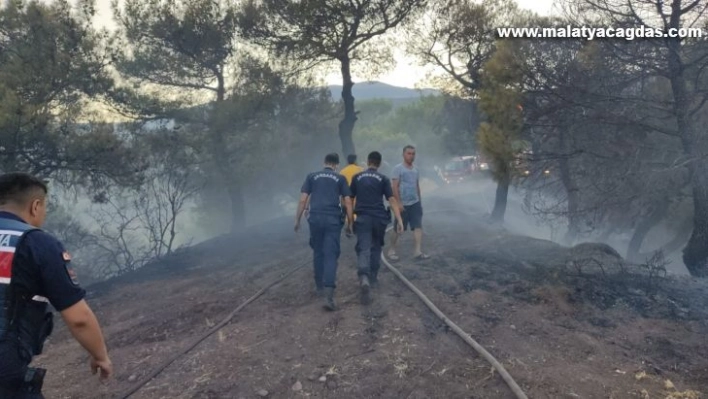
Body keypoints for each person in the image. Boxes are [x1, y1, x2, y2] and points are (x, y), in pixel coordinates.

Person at [0, 172, 112, 398]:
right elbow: (79, 318)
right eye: (45, 208)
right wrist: (100, 355)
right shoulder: (37, 243)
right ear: (35, 206)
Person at [295, 153, 353, 311]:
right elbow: (347, 201)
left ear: (324, 162)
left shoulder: (311, 176)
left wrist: (297, 220)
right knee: (331, 254)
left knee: (318, 252)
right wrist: (349, 223)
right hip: (333, 220)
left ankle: (319, 285)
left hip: (315, 219)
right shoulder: (340, 178)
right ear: (336, 165)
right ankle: (328, 294)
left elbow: (303, 199)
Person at [350, 152, 403, 304]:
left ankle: (364, 277)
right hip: (379, 219)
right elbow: (391, 199)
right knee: (376, 247)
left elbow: (350, 199)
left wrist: (348, 220)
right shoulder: (383, 179)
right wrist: (399, 220)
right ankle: (373, 278)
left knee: (364, 247)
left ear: (367, 162)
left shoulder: (357, 178)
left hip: (363, 218)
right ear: (379, 164)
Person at [388, 145, 430, 261]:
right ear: (403, 154)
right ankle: (391, 250)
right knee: (398, 228)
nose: (411, 156)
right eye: (409, 153)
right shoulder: (398, 169)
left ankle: (417, 251)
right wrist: (399, 203)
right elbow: (395, 187)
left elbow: (417, 186)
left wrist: (420, 202)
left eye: (413, 154)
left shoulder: (416, 169)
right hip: (403, 204)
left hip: (415, 203)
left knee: (417, 227)